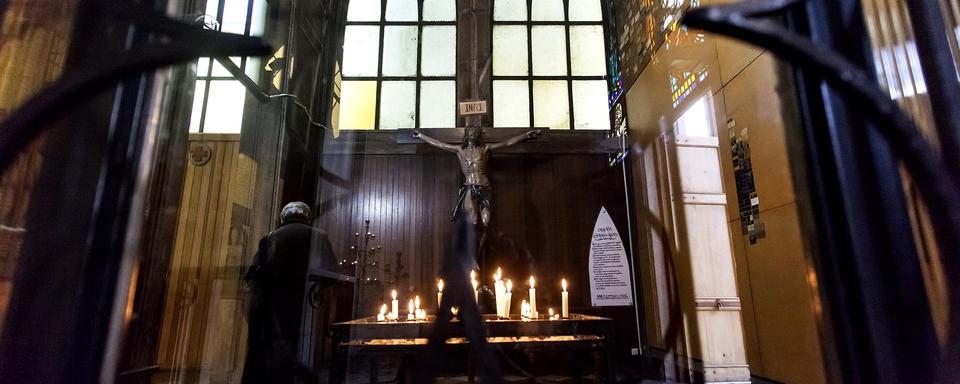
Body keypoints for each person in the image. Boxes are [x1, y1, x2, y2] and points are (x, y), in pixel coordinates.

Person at [241, 202, 336, 384]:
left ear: (283, 217)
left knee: (277, 362)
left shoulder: (270, 238)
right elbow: (331, 277)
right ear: (307, 217)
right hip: (308, 310)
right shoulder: (319, 237)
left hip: (275, 310)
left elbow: (254, 279)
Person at [412, 127, 541, 228]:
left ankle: (483, 243)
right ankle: (473, 250)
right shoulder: (460, 150)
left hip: (484, 185)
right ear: (466, 135)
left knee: (486, 221)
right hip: (469, 187)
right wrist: (420, 136)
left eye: (475, 132)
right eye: (470, 132)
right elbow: (439, 144)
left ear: (478, 135)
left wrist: (525, 136)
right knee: (472, 220)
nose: (472, 134)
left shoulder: (485, 148)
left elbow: (506, 143)